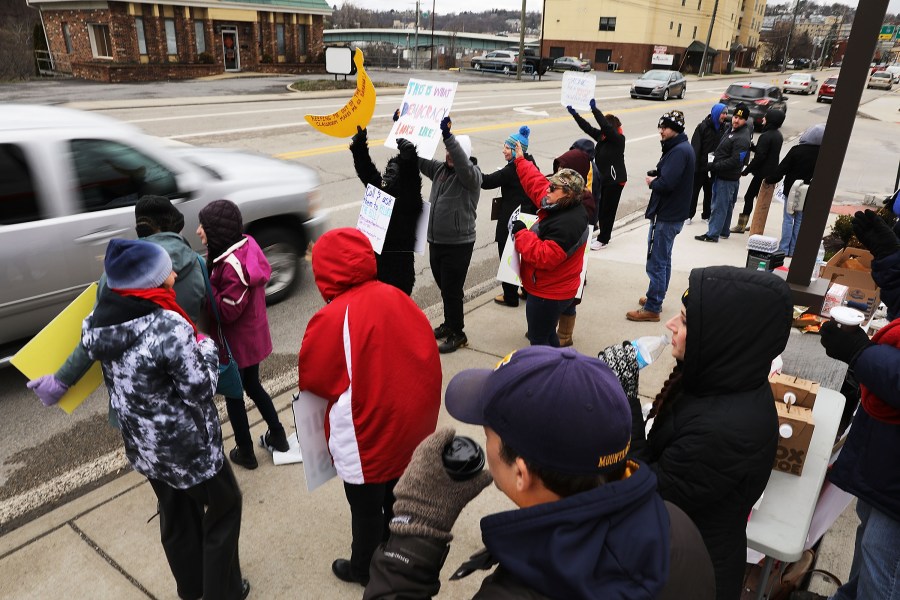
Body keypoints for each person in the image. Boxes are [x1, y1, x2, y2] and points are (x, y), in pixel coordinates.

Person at [363, 346, 716, 599]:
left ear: (521, 473)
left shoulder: (514, 592)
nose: (483, 441)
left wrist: (415, 527)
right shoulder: (677, 527)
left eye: (488, 434)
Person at [601, 265, 792, 600]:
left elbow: (642, 493)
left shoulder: (725, 431)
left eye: (687, 321)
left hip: (684, 576)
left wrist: (623, 400)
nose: (671, 325)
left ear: (724, 336)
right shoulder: (720, 380)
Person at [81, 238, 248, 600]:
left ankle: (192, 590)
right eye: (165, 271)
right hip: (189, 448)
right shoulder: (167, 326)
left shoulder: (99, 322)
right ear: (149, 284)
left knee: (176, 519)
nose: (174, 273)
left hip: (147, 448)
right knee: (225, 507)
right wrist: (205, 345)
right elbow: (200, 387)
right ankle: (224, 593)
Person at [297, 227, 442, 587]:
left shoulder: (332, 319)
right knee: (395, 494)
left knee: (364, 509)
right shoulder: (397, 297)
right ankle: (394, 547)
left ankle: (362, 568)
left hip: (367, 433)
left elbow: (314, 382)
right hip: (409, 425)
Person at [27, 195, 206, 411]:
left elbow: (99, 335)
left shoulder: (117, 277)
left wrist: (61, 380)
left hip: (135, 399)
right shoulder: (198, 263)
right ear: (175, 226)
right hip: (184, 387)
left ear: (140, 227)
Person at [819, 209, 900, 600]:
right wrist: (889, 254)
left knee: (883, 575)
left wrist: (860, 354)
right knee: (869, 555)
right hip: (886, 462)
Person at [197, 199, 289, 470]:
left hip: (238, 343)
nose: (198, 231)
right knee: (252, 386)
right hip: (253, 337)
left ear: (217, 231)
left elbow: (228, 311)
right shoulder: (246, 244)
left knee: (235, 394)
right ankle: (279, 436)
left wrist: (205, 282)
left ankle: (246, 451)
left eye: (203, 226)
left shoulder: (231, 266)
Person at [510, 142, 589, 346]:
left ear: (568, 193)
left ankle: (546, 375)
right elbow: (536, 183)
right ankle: (557, 367)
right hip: (553, 289)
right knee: (547, 336)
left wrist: (521, 233)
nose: (548, 189)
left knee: (538, 341)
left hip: (549, 294)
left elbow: (544, 257)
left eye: (553, 187)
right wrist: (520, 159)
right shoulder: (561, 203)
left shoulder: (568, 223)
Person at [417, 115, 483, 354]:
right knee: (445, 288)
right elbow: (419, 159)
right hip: (437, 241)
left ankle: (459, 333)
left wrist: (448, 136)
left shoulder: (471, 176)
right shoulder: (440, 171)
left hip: (458, 243)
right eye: (446, 151)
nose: (448, 154)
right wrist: (406, 133)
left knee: (452, 290)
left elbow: (464, 166)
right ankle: (448, 323)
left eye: (452, 151)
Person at [628, 110, 694, 323]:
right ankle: (654, 297)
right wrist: (659, 174)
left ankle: (653, 306)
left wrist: (653, 182)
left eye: (664, 127)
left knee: (656, 261)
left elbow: (667, 184)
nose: (661, 131)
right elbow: (672, 176)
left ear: (674, 129)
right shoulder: (681, 148)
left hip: (667, 215)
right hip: (673, 214)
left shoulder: (678, 151)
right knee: (663, 259)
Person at [348, 127, 424, 295]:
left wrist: (409, 160)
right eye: (387, 170)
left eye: (393, 172)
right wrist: (359, 145)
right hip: (377, 270)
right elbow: (367, 171)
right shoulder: (381, 193)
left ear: (402, 178)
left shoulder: (409, 202)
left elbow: (412, 183)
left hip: (399, 275)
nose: (387, 174)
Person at [480, 125, 536, 308]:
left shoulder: (512, 170)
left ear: (515, 150)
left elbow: (486, 181)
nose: (503, 150)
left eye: (507, 147)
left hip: (512, 218)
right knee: (526, 256)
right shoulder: (530, 163)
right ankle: (527, 291)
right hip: (528, 217)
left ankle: (510, 296)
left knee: (508, 254)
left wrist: (469, 169)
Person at [567, 99, 627, 249]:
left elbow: (605, 127)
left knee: (608, 210)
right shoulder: (603, 137)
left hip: (615, 181)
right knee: (600, 208)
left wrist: (594, 110)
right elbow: (587, 128)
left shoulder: (618, 140)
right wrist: (575, 115)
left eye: (606, 128)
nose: (602, 131)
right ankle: (601, 233)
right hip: (604, 179)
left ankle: (604, 239)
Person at [695, 103, 752, 243]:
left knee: (719, 206)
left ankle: (712, 234)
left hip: (727, 177)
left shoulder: (742, 137)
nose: (736, 120)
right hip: (725, 175)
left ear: (745, 120)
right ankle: (724, 231)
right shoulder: (731, 130)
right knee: (726, 206)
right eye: (735, 117)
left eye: (740, 118)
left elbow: (736, 161)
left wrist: (715, 166)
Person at [766, 123, 824, 257]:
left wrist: (770, 179)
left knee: (788, 219)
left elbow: (782, 169)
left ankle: (784, 248)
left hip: (791, 190)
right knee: (799, 220)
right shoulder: (822, 154)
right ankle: (793, 250)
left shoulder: (797, 150)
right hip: (807, 192)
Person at [730, 109, 785, 234]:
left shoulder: (766, 136)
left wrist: (746, 170)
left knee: (749, 196)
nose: (763, 119)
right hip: (771, 173)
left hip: (761, 174)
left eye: (766, 117)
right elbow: (765, 152)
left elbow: (760, 157)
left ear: (771, 120)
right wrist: (753, 147)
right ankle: (756, 224)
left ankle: (741, 225)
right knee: (760, 199)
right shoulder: (777, 135)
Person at [688, 103, 728, 224]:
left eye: (726, 113)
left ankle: (706, 215)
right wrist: (695, 167)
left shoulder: (724, 128)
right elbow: (695, 148)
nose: (724, 116)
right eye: (722, 113)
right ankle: (688, 215)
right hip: (700, 168)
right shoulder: (702, 127)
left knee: (710, 193)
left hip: (713, 167)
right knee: (694, 192)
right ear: (716, 113)